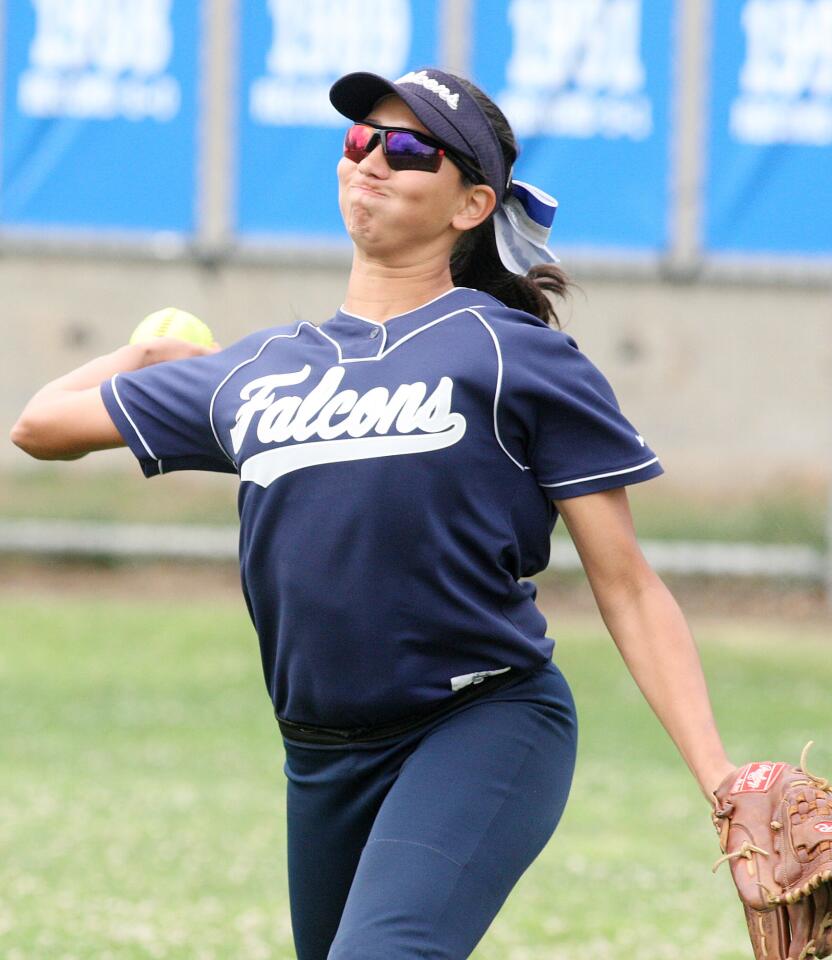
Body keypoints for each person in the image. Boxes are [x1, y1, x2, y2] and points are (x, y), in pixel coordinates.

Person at [11, 67, 736, 960]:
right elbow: (39, 426)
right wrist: (139, 354)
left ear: (472, 205)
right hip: (320, 755)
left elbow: (626, 585)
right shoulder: (258, 369)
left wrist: (724, 784)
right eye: (360, 141)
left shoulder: (515, 356)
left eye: (408, 149)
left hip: (480, 722)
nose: (373, 160)